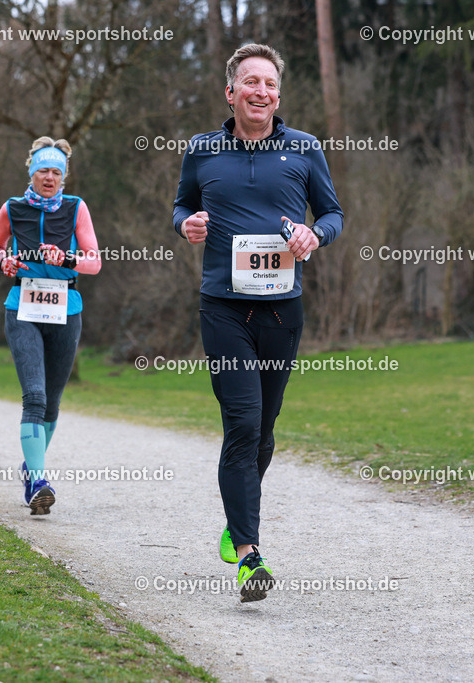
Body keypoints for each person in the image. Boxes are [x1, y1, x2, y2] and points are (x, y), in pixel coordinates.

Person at [172, 44, 344, 601]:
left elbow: (333, 213)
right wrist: (187, 225)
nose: (261, 92)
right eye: (250, 82)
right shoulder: (202, 150)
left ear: (278, 95)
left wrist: (315, 235)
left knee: (264, 432)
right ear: (231, 92)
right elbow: (181, 206)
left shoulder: (304, 148)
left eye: (269, 84)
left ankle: (235, 521)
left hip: (281, 309)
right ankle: (250, 555)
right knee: (242, 423)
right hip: (223, 307)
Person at [0, 137, 101, 515]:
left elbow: (94, 262)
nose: (49, 178)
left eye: (56, 172)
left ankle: (30, 467)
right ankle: (38, 482)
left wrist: (65, 259)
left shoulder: (76, 207)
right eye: (42, 171)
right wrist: (3, 261)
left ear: (63, 176)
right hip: (23, 308)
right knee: (34, 397)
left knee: (51, 402)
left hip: (66, 310)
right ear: (31, 173)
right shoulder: (12, 208)